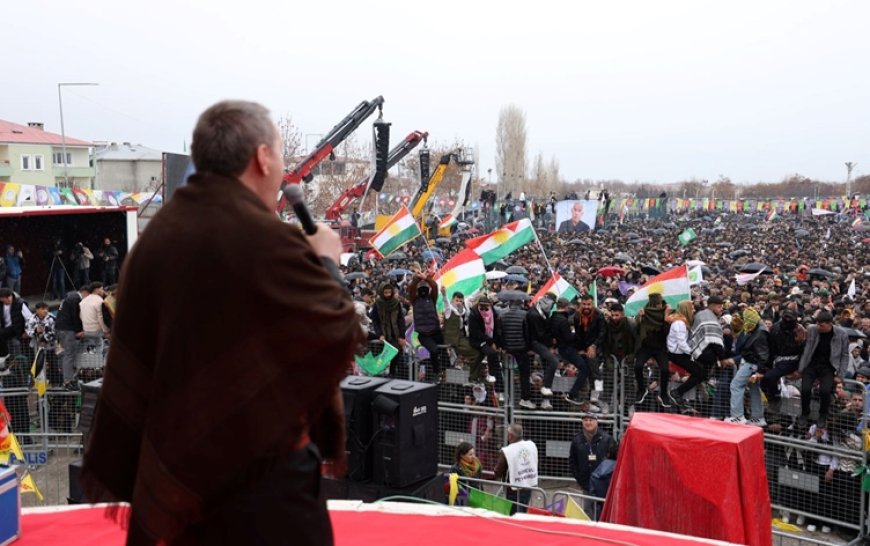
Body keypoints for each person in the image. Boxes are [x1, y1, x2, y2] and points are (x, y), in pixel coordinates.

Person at [81, 100, 363, 546]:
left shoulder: (155, 240)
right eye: (280, 155)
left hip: (177, 485)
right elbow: (338, 331)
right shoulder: (266, 239)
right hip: (265, 486)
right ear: (262, 157)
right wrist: (326, 261)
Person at [797, 311, 851, 430]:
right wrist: (800, 369)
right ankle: (804, 413)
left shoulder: (841, 334)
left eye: (821, 325)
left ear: (830, 324)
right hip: (811, 364)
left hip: (828, 366)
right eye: (817, 323)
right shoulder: (812, 329)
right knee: (805, 389)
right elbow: (806, 350)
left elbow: (845, 355)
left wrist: (840, 375)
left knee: (825, 391)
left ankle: (823, 414)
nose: (818, 327)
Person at [568, 413, 617, 519]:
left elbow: (614, 460)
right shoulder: (577, 440)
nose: (588, 422)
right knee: (587, 512)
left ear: (596, 422)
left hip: (602, 484)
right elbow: (573, 461)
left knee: (603, 511)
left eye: (591, 420)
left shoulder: (607, 439)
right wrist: (580, 478)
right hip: (586, 483)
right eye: (585, 420)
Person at [726, 308, 769, 426]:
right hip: (754, 364)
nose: (744, 322)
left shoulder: (760, 333)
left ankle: (737, 417)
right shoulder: (759, 329)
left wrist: (760, 371)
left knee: (736, 385)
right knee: (754, 388)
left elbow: (763, 354)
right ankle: (757, 418)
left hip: (752, 364)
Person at [633, 293, 671, 407]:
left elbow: (667, 332)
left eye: (660, 303)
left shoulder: (666, 312)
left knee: (665, 370)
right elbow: (637, 329)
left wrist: (666, 317)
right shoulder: (645, 312)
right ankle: (641, 390)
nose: (659, 306)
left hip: (660, 347)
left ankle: (663, 394)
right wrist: (640, 317)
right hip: (646, 346)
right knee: (638, 366)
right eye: (657, 304)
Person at [666, 300, 705, 410]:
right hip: (677, 354)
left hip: (680, 354)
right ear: (686, 309)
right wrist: (693, 352)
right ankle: (677, 393)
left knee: (700, 372)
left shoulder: (682, 322)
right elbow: (681, 343)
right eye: (692, 308)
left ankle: (678, 393)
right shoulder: (680, 323)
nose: (694, 310)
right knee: (700, 373)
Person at [408, 272, 446, 382]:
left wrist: (426, 278)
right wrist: (417, 279)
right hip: (423, 335)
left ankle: (446, 370)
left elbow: (434, 286)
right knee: (434, 350)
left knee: (445, 350)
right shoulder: (414, 300)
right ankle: (436, 372)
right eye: (421, 288)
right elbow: (411, 288)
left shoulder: (432, 298)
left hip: (436, 332)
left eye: (425, 288)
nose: (423, 290)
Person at [494, 423, 539, 515]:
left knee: (514, 514)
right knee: (523, 511)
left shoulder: (507, 451)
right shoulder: (531, 445)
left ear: (510, 435)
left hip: (513, 488)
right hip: (528, 484)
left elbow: (498, 471)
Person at [499, 299, 533, 409]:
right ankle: (525, 398)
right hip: (521, 348)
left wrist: (503, 347)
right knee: (524, 373)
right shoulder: (525, 314)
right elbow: (527, 333)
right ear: (521, 304)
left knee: (506, 372)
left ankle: (504, 396)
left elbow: (500, 333)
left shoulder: (503, 315)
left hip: (508, 349)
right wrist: (528, 347)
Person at [526, 294, 558, 410]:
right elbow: (540, 333)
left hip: (542, 345)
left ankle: (545, 399)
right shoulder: (533, 314)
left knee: (548, 368)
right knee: (553, 362)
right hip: (535, 344)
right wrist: (551, 341)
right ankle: (539, 396)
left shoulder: (543, 312)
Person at [54, 284, 89, 389]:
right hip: (67, 329)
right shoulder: (75, 299)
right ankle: (68, 381)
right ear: (85, 292)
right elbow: (76, 316)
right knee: (69, 355)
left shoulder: (70, 297)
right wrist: (79, 331)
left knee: (68, 354)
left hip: (61, 329)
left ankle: (70, 378)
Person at [369, 283, 407, 377]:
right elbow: (375, 321)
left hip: (395, 334)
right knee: (387, 353)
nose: (388, 294)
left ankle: (392, 372)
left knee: (397, 351)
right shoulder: (378, 303)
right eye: (385, 292)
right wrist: (380, 334)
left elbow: (401, 320)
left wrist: (402, 336)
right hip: (383, 334)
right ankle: (382, 372)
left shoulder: (396, 302)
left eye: (389, 292)